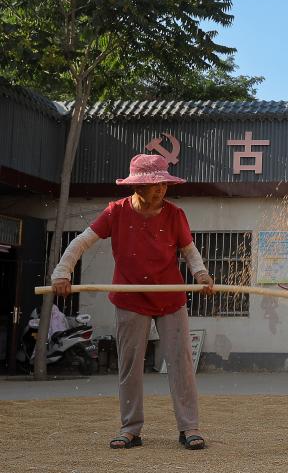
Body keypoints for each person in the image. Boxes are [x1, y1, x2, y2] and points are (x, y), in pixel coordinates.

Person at [51, 153, 215, 450]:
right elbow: (81, 243)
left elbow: (190, 251)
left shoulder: (175, 214)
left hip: (169, 297)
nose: (161, 189)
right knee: (129, 364)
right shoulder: (116, 212)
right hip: (130, 297)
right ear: (137, 187)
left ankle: (189, 428)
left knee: (180, 363)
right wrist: (62, 272)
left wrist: (202, 274)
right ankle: (131, 428)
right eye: (155, 185)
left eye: (164, 184)